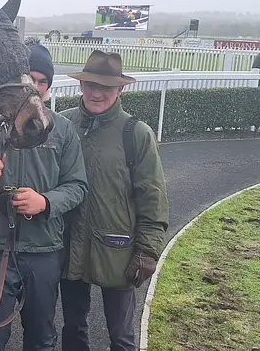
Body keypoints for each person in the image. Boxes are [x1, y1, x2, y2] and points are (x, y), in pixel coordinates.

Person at [0, 42, 88, 351]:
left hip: (43, 249)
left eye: (42, 81)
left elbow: (77, 185)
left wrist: (46, 202)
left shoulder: (63, 129)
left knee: (41, 336)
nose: (35, 87)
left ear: (48, 87)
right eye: (29, 79)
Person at [59, 49, 169, 351]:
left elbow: (152, 196)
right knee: (73, 327)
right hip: (70, 246)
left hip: (118, 249)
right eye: (90, 85)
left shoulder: (137, 133)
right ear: (81, 85)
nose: (97, 93)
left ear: (119, 89)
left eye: (106, 87)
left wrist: (147, 250)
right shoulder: (63, 125)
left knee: (121, 336)